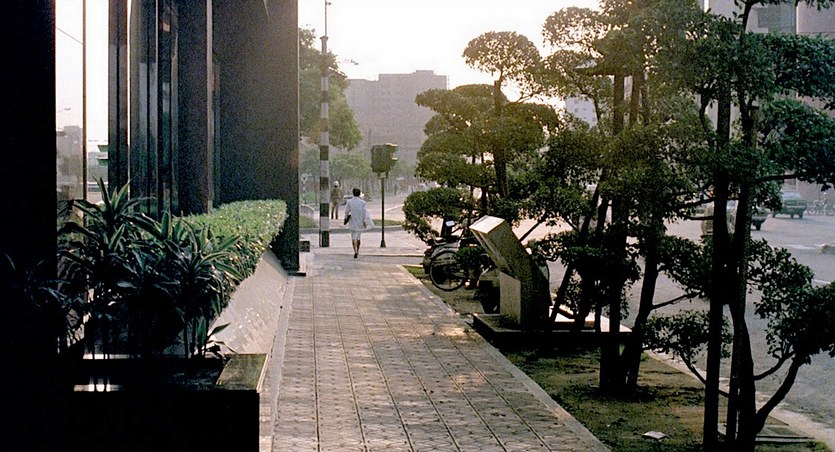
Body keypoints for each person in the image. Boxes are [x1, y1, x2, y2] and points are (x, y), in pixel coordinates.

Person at [343, 187, 373, 258]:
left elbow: (347, 211)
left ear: (353, 193)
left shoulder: (349, 202)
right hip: (360, 221)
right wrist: (365, 221)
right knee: (358, 237)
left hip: (352, 221)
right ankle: (358, 250)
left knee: (353, 236)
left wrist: (345, 218)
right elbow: (364, 212)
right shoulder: (363, 202)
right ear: (359, 194)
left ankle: (355, 251)